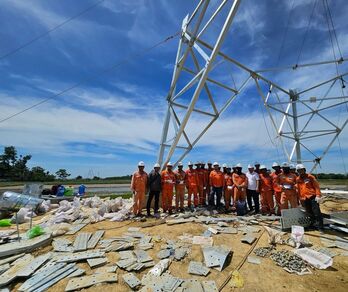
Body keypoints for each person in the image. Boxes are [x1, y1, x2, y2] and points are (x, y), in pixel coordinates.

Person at [296, 164, 324, 232]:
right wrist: (300, 198)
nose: (301, 172)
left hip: (312, 197)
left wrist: (318, 195)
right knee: (309, 213)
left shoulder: (310, 177)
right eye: (299, 171)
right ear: (297, 171)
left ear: (305, 170)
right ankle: (313, 225)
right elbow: (299, 189)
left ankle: (320, 227)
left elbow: (316, 186)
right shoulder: (298, 179)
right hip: (304, 198)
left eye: (302, 170)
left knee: (317, 212)